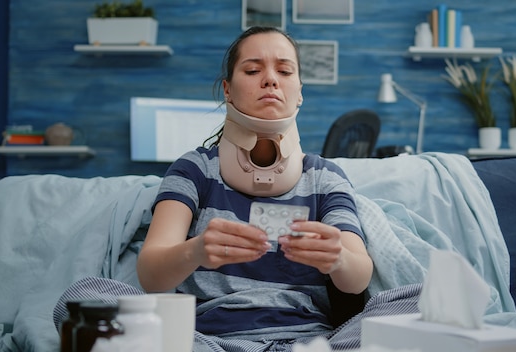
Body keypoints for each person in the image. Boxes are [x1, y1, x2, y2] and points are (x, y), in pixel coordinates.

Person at [135, 25, 374, 347]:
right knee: (88, 294)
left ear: (300, 91)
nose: (271, 79)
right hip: (209, 341)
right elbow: (150, 275)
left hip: (306, 341)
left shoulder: (324, 178)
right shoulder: (194, 169)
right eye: (252, 69)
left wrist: (338, 259)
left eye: (285, 70)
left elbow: (359, 277)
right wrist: (196, 250)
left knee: (413, 298)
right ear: (227, 90)